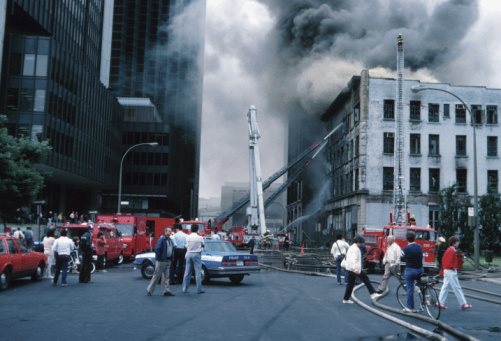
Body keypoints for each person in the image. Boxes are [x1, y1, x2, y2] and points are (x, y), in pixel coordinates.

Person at [437, 236, 472, 310]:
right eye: (457, 242)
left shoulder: (449, 250)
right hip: (450, 271)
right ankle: (463, 304)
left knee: (445, 286)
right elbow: (448, 262)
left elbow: (444, 261)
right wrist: (453, 267)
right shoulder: (451, 251)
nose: (458, 243)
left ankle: (440, 303)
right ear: (454, 243)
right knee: (457, 287)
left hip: (447, 270)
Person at [342, 236, 380, 304]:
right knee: (366, 279)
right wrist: (356, 269)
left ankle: (346, 299)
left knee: (350, 284)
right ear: (359, 242)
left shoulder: (351, 247)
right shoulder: (356, 249)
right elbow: (355, 259)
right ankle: (372, 294)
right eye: (361, 243)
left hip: (350, 268)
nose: (362, 244)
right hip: (355, 269)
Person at [147, 227, 175, 296]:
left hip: (168, 260)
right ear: (165, 232)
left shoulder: (170, 240)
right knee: (156, 276)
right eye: (168, 231)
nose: (169, 233)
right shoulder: (162, 239)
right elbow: (157, 249)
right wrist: (160, 258)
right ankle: (149, 290)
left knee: (166, 277)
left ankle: (166, 291)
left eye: (170, 231)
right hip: (161, 261)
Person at [401, 231, 423, 312]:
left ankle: (410, 307)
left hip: (410, 270)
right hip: (420, 269)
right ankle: (425, 299)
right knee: (422, 284)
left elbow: (401, 257)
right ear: (415, 238)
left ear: (407, 239)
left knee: (410, 289)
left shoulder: (405, 249)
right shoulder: (419, 246)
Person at [182, 224, 205, 294]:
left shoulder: (187, 237)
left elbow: (185, 245)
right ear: (197, 229)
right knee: (198, 272)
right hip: (196, 254)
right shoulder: (200, 237)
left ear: (191, 229)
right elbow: (203, 245)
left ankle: (185, 288)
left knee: (187, 272)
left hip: (188, 253)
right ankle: (199, 289)